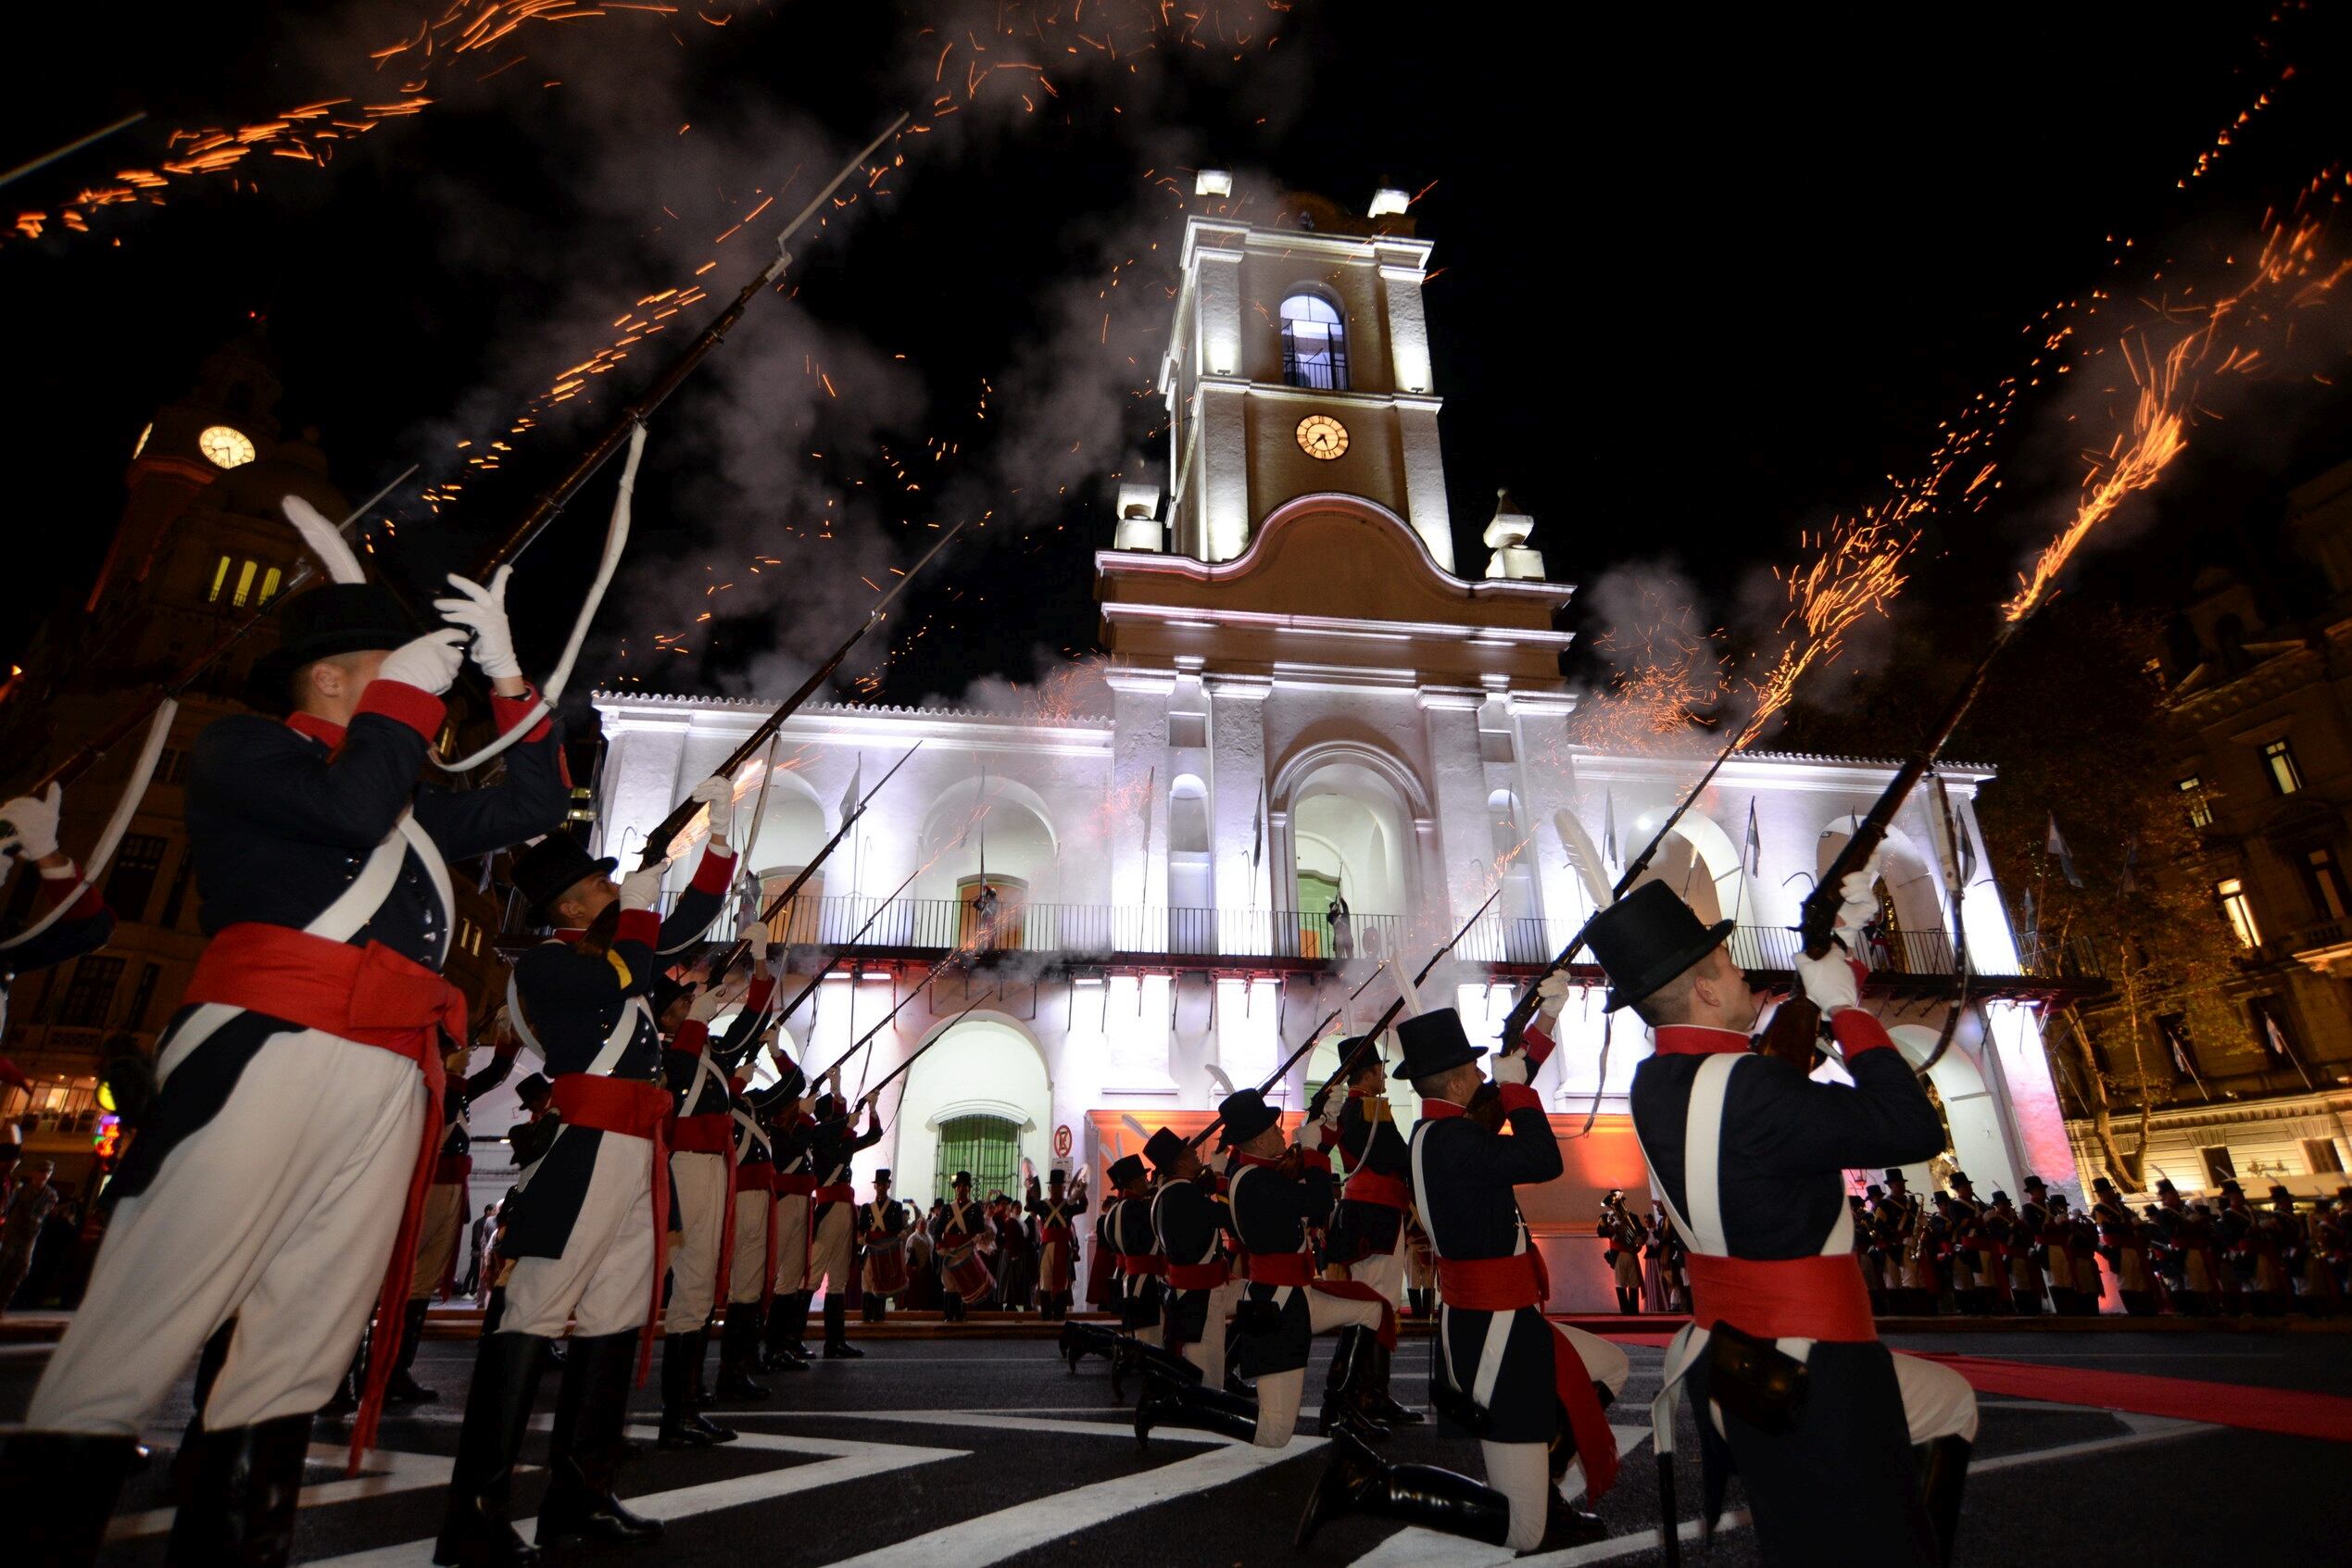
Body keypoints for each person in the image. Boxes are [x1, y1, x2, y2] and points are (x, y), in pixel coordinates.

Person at [5, 560, 566, 1568]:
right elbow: (346, 813)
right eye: (393, 674)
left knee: (301, 1339)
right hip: (268, 1043)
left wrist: (507, 672)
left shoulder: (411, 804)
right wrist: (407, 698)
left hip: (386, 1074)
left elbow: (531, 804)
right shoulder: (244, 749)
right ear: (332, 681)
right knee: (143, 1316)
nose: (427, 703)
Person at [1600, 874, 1971, 1567]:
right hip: (1814, 1370)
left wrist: (1842, 953)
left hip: (1730, 1357)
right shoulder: (1753, 1087)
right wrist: (1846, 1008)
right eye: (1731, 967)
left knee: (1940, 1408)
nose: (1744, 976)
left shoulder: (1656, 1082)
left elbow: (1766, 1080)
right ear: (1707, 990)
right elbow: (1911, 1126)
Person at [435, 786, 736, 1565]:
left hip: (639, 1146)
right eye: (603, 885)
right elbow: (623, 974)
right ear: (569, 903)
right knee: (534, 1310)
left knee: (613, 1314)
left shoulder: (619, 954)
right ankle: (473, 1518)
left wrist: (719, 844)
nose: (616, 889)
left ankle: (580, 1499)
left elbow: (685, 927)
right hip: (589, 1145)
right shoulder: (547, 964)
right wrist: (636, 912)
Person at [1300, 997, 1627, 1554]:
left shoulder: (1436, 1133)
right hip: (1497, 1329)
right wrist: (1520, 1089)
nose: (1482, 1075)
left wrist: (1539, 1030)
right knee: (1524, 1531)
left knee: (1610, 1367)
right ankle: (1370, 1484)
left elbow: (1496, 1105)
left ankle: (1543, 1482)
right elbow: (1543, 1158)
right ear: (1454, 1085)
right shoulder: (1455, 1141)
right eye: (1473, 1070)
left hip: (1501, 1316)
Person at [1134, 1086, 1390, 1451]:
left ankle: (1341, 1407)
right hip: (1279, 1306)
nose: (1280, 1132)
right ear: (1256, 1140)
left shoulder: (1254, 1175)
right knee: (1274, 1433)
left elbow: (1296, 1179)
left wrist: (1322, 1123)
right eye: (1273, 1128)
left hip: (1294, 1295)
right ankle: (1175, 1405)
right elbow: (1317, 1202)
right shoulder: (1255, 1182)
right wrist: (1315, 1149)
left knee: (1371, 1310)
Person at [386, 1030, 521, 1406]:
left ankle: (398, 1371)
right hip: (424, 1186)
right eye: (460, 1049)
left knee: (421, 1283)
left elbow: (494, 1074)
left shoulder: (453, 1087)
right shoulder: (429, 1083)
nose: (468, 1055)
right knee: (401, 1282)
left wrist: (510, 1037)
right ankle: (373, 1371)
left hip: (449, 1185)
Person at [1318, 1043, 1418, 1424]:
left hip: (1370, 1210)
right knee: (1377, 1304)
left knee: (1377, 1304)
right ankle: (1360, 1394)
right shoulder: (1370, 1107)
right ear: (1368, 1072)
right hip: (1377, 1212)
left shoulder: (1355, 1107)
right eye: (1380, 1069)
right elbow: (1394, 1157)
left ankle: (1366, 1392)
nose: (1384, 1076)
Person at [0, 1156, 58, 1315]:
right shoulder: (21, 1190)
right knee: (3, 1262)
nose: (45, 1175)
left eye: (48, 1172)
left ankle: (2, 1304)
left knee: (22, 1267)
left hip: (30, 1234)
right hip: (14, 1232)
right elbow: (9, 1208)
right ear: (34, 1173)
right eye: (42, 1171)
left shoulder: (50, 1194)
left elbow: (43, 1212)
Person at [933, 1171, 994, 1322]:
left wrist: (980, 1236)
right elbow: (937, 1230)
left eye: (964, 1186)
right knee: (948, 1283)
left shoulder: (975, 1209)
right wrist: (940, 1245)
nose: (961, 1189)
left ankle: (960, 1315)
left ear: (969, 1189)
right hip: (949, 1251)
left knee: (964, 1283)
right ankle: (948, 1315)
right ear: (955, 1189)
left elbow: (980, 1230)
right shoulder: (947, 1209)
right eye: (959, 1186)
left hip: (966, 1250)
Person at [2090, 1176, 2156, 1316]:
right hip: (2119, 1247)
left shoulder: (2120, 1206)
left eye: (2110, 1191)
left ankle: (2145, 1307)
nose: (2111, 1194)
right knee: (2127, 1280)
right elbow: (2109, 1228)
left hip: (2133, 1246)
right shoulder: (2099, 1209)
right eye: (2107, 1192)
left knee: (2139, 1277)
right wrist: (2131, 1226)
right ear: (2101, 1194)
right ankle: (2133, 1309)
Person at [1026, 1167, 1087, 1318]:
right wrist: (1029, 1190)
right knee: (1045, 1279)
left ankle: (1059, 1312)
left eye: (1059, 1186)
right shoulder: (1043, 1205)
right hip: (1046, 1246)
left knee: (1063, 1281)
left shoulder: (1069, 1205)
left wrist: (1081, 1192)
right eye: (1053, 1186)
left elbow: (1083, 1207)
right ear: (1049, 1187)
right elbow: (1031, 1205)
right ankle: (1046, 1313)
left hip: (1063, 1246)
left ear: (1064, 1188)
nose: (1056, 1188)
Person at [859, 1169, 910, 1323]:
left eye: (884, 1184)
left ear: (888, 1186)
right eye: (878, 1184)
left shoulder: (896, 1206)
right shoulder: (867, 1208)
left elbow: (898, 1228)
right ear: (875, 1186)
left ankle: (879, 1316)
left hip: (887, 1251)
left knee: (883, 1281)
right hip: (870, 1249)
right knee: (867, 1283)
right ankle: (867, 1316)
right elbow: (861, 1228)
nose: (881, 1187)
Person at [1598, 1189, 1645, 1314]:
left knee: (1634, 1281)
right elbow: (1600, 1232)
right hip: (1618, 1252)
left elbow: (1642, 1231)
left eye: (1620, 1203)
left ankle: (1634, 1309)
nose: (1619, 1207)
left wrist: (1641, 1237)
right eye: (1615, 1204)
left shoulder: (1632, 1217)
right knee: (1621, 1281)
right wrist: (1612, 1232)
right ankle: (1624, 1310)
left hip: (1631, 1252)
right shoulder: (1606, 1217)